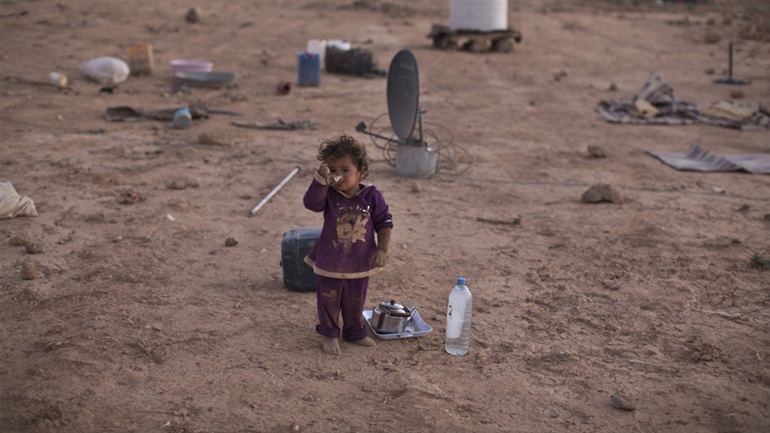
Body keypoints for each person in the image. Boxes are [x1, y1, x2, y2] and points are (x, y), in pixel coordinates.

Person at [303, 134, 393, 355]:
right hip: (330, 259)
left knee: (355, 298)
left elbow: (384, 222)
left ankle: (354, 331)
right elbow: (311, 203)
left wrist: (382, 249)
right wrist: (321, 178)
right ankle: (329, 332)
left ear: (361, 171)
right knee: (329, 298)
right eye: (333, 170)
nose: (339, 176)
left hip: (359, 259)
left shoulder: (371, 196)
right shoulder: (329, 194)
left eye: (345, 170)